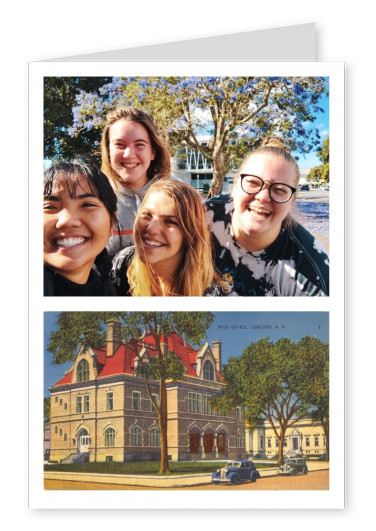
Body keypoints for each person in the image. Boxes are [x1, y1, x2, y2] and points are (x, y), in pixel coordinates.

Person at [206, 137, 329, 296]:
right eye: (253, 183)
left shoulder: (311, 274)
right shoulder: (202, 217)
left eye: (279, 189)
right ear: (235, 186)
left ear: (292, 201)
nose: (263, 197)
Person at [111, 180, 223, 296]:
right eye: (147, 215)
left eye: (170, 222)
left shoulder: (209, 293)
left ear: (190, 234)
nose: (151, 229)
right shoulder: (122, 264)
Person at [101, 106, 171, 257]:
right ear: (108, 151)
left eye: (139, 144)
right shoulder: (96, 200)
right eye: (119, 144)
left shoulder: (176, 197)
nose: (129, 154)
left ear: (152, 152)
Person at [44, 158, 118, 296]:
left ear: (112, 223)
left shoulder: (106, 291)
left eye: (87, 205)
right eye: (49, 207)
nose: (67, 220)